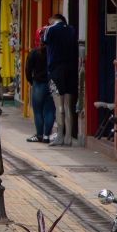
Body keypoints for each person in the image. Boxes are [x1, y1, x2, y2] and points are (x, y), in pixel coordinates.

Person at [41, 14, 79, 146]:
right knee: (69, 106)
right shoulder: (72, 30)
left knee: (59, 106)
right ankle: (69, 137)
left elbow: (43, 41)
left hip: (56, 71)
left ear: (52, 20)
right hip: (71, 70)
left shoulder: (50, 29)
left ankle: (60, 136)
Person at [25, 30, 56, 143]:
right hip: (52, 83)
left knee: (37, 111)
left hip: (38, 84)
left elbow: (28, 69)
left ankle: (39, 135)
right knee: (50, 110)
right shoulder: (53, 52)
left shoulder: (34, 53)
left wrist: (31, 81)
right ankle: (47, 135)